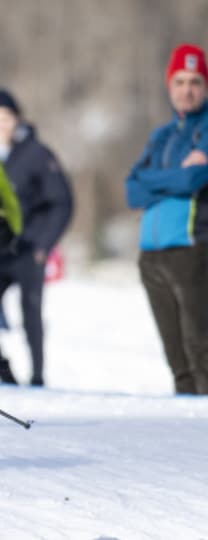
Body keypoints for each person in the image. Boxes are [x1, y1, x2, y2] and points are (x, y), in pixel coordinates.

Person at [0, 89, 73, 386]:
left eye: (6, 118)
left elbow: (62, 202)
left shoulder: (37, 154)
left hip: (29, 250)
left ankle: (38, 377)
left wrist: (44, 244)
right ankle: (5, 374)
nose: (1, 125)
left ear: (17, 120)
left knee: (31, 314)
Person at [125, 43, 208, 395]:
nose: (186, 90)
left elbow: (195, 180)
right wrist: (174, 176)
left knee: (200, 351)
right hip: (152, 255)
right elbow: (132, 190)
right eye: (179, 81)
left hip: (192, 250)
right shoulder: (161, 136)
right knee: (176, 359)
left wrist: (155, 181)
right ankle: (184, 436)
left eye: (194, 81)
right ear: (169, 85)